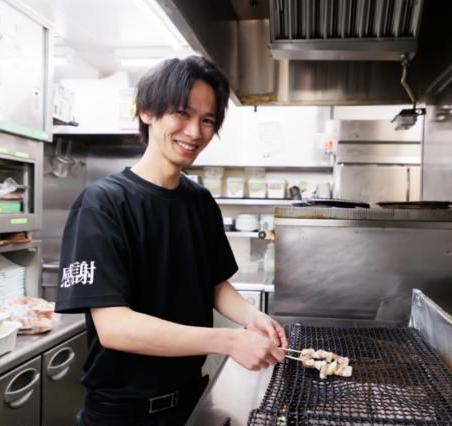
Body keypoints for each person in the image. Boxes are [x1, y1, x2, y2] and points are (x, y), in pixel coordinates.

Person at [54, 56, 288, 426]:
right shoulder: (103, 204)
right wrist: (228, 341)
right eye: (182, 113)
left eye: (208, 120)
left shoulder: (199, 202)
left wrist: (252, 318)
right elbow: (115, 328)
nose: (195, 132)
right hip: (123, 415)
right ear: (147, 111)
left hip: (191, 402)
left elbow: (213, 283)